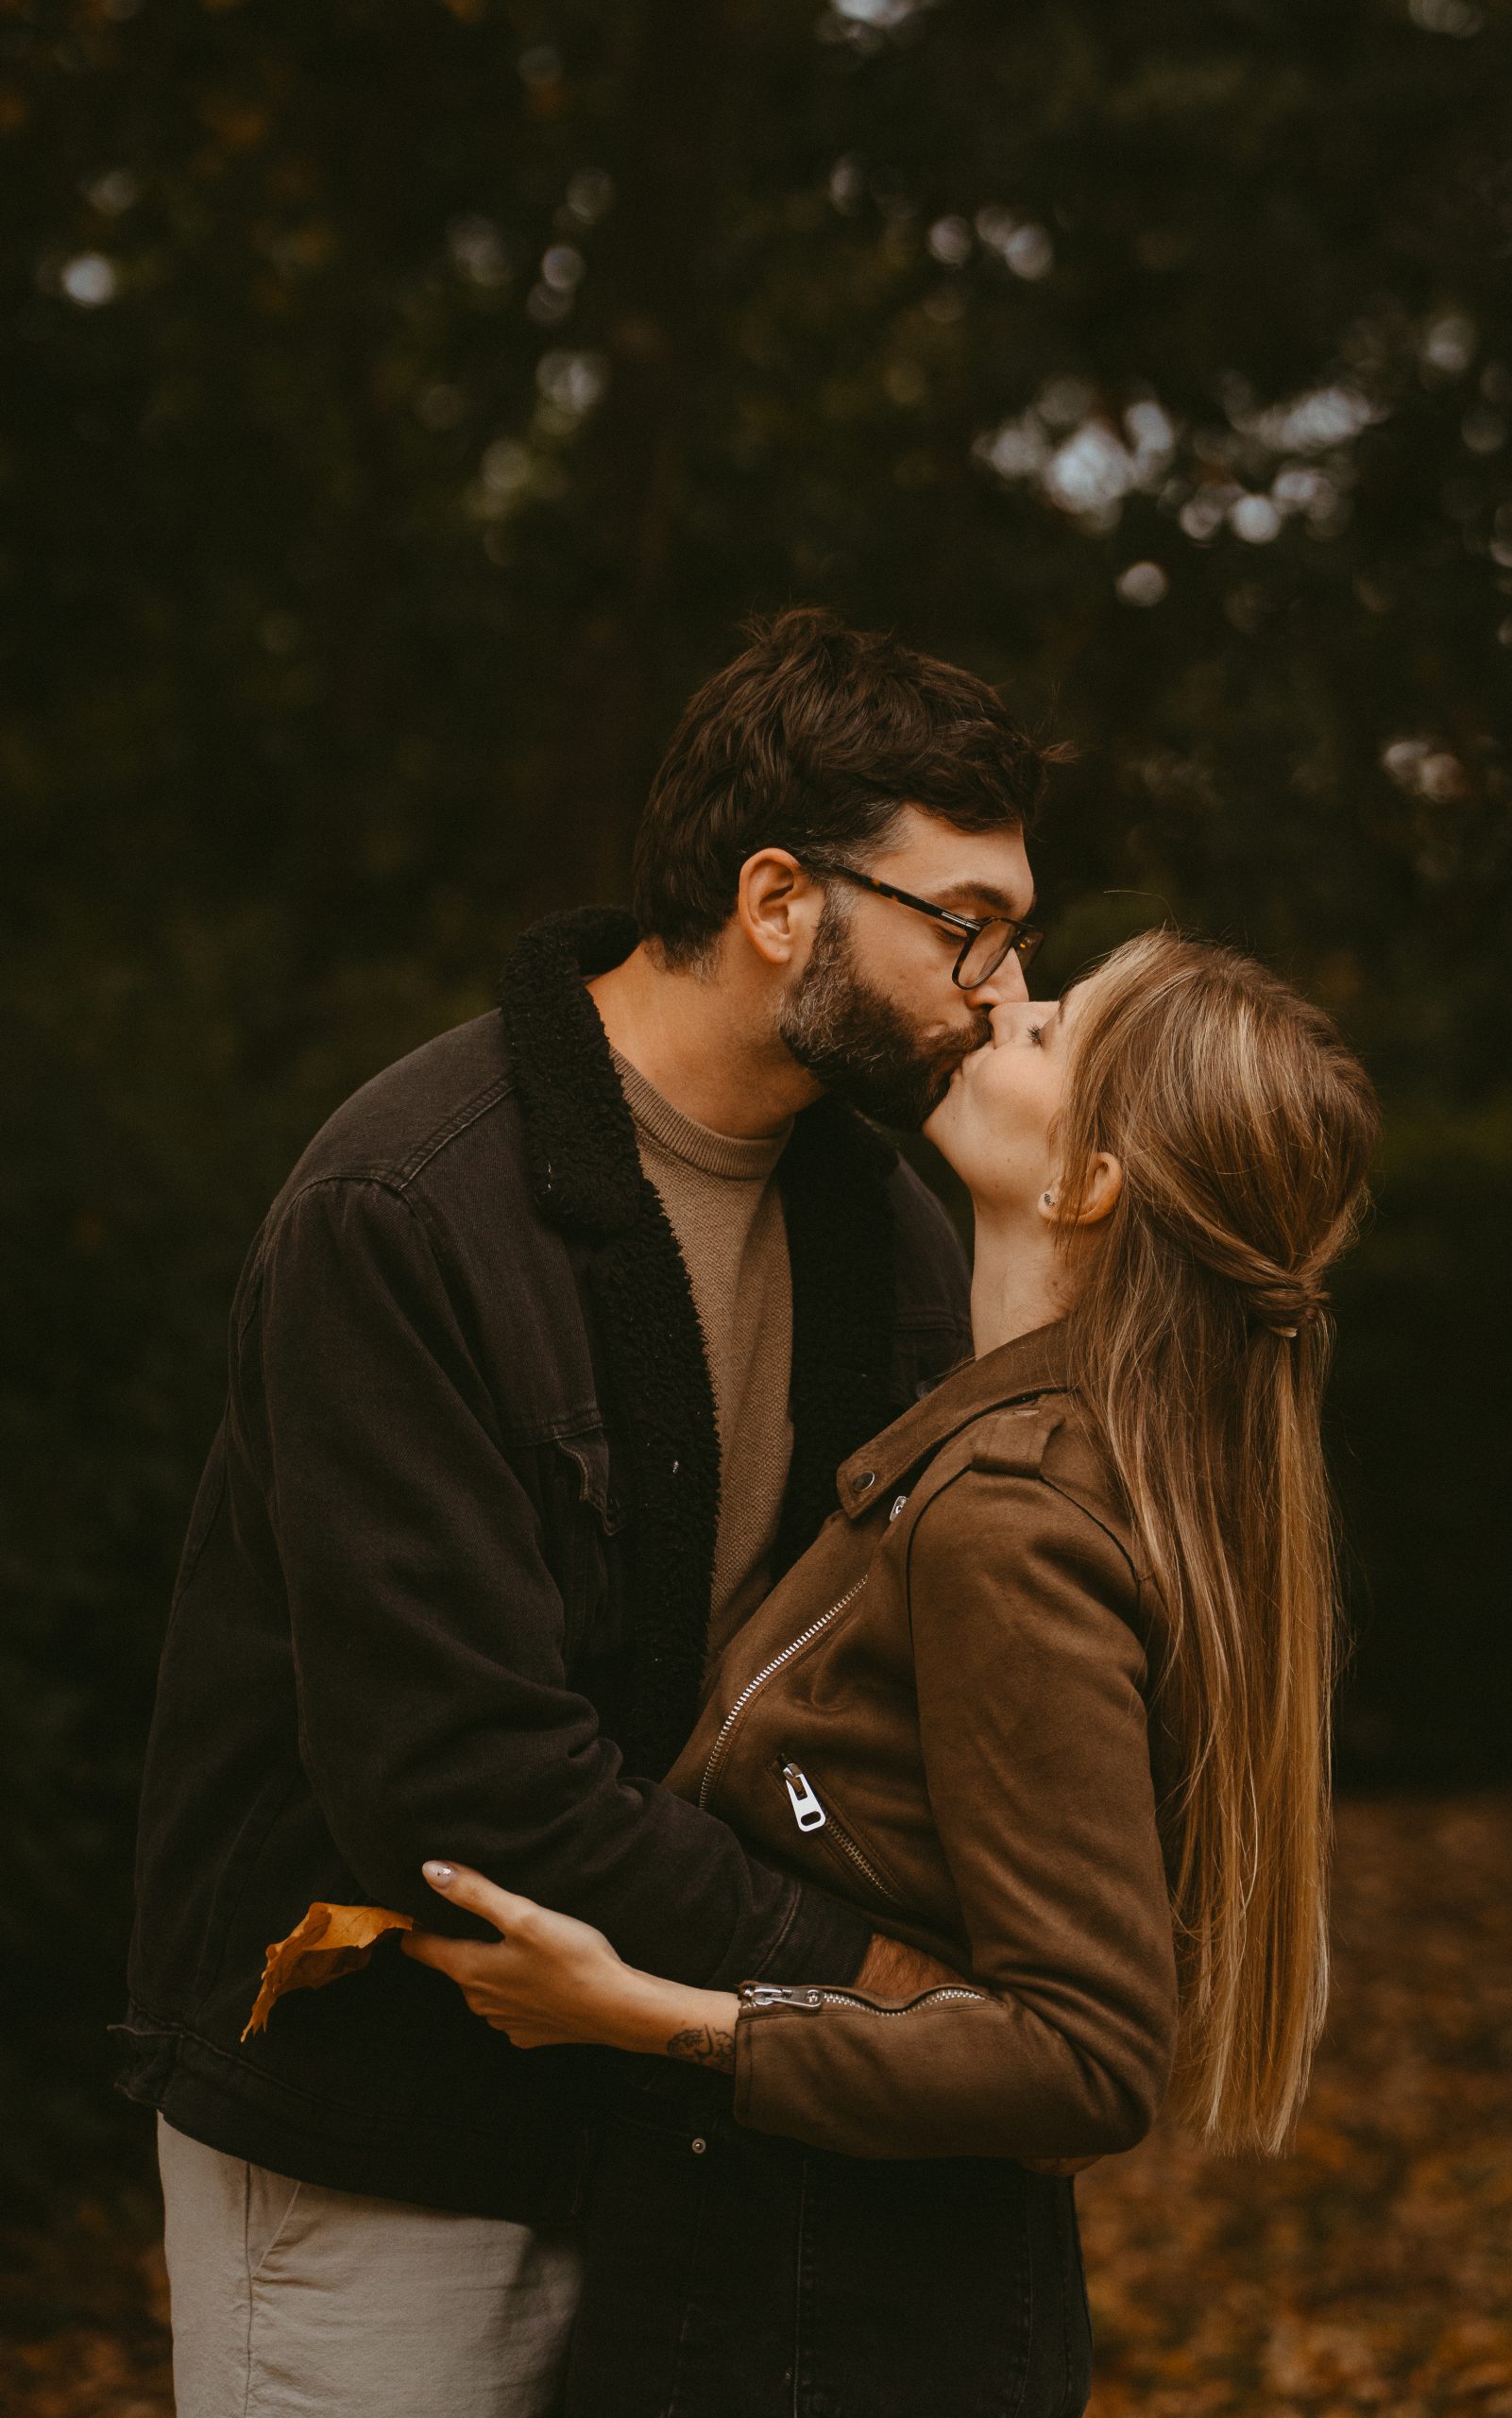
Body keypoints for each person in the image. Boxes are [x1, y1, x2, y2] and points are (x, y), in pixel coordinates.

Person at [119, 606, 1066, 2418]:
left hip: (699, 2129)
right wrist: (871, 1984)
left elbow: (915, 1681)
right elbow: (459, 1779)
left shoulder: (896, 1228)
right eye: (969, 927)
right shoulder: (406, 1207)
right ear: (783, 902)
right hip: (380, 2133)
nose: (1003, 997)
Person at [406, 927, 1381, 2418]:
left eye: (1052, 1031)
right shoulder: (1036, 1464)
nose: (1002, 999)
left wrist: (636, 2011)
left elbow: (1086, 2058)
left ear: (1086, 1185)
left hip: (827, 2307)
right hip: (842, 2281)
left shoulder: (1013, 1519)